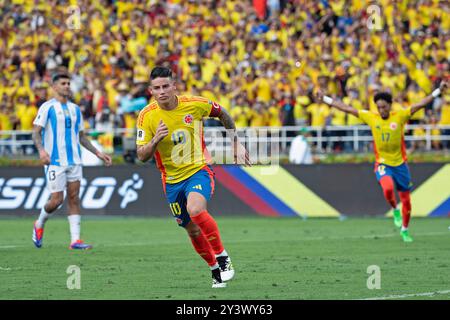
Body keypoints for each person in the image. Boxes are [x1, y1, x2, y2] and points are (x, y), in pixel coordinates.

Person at [136, 66, 251, 288]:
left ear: (174, 86)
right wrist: (155, 141)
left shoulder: (195, 104)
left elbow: (223, 114)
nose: (162, 92)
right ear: (151, 90)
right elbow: (142, 155)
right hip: (170, 180)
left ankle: (222, 257)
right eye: (157, 88)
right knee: (191, 228)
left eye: (166, 86)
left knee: (196, 209)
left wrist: (235, 143)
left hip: (198, 170)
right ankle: (214, 270)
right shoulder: (146, 116)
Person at [317, 81, 448, 242]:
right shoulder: (371, 118)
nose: (381, 110)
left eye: (384, 107)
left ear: (390, 105)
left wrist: (437, 92)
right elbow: (346, 108)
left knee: (406, 201)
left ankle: (405, 230)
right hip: (383, 164)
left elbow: (420, 104)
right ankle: (394, 209)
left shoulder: (399, 116)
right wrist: (326, 99)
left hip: (400, 165)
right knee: (387, 188)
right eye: (379, 107)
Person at [32, 71, 112, 250]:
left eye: (68, 83)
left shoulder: (76, 109)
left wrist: (98, 153)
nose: (67, 86)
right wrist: (41, 151)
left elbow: (81, 137)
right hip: (54, 161)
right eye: (63, 83)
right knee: (56, 200)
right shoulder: (47, 107)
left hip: (75, 160)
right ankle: (39, 224)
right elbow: (35, 132)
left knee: (74, 198)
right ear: (54, 87)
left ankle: (75, 240)